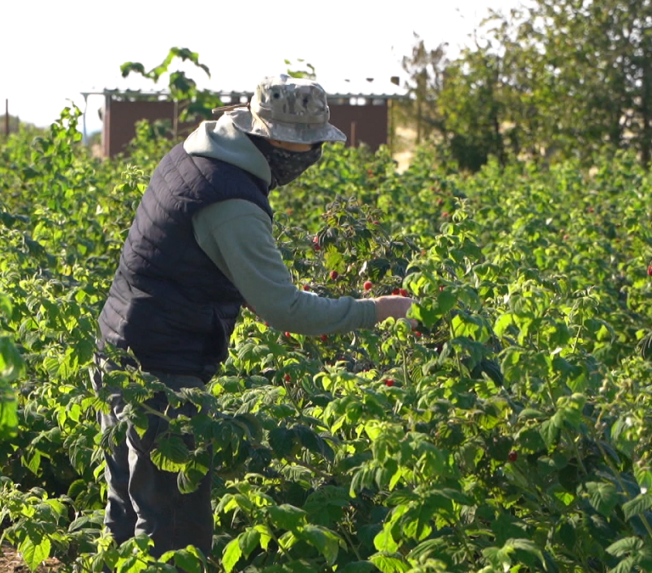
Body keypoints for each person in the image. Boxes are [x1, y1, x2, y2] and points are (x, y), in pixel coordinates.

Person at [90, 74, 415, 557]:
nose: (312, 157)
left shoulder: (198, 154)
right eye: (307, 147)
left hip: (120, 348)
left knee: (127, 520)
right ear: (276, 142)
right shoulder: (231, 201)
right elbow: (280, 308)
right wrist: (378, 310)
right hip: (162, 372)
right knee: (174, 538)